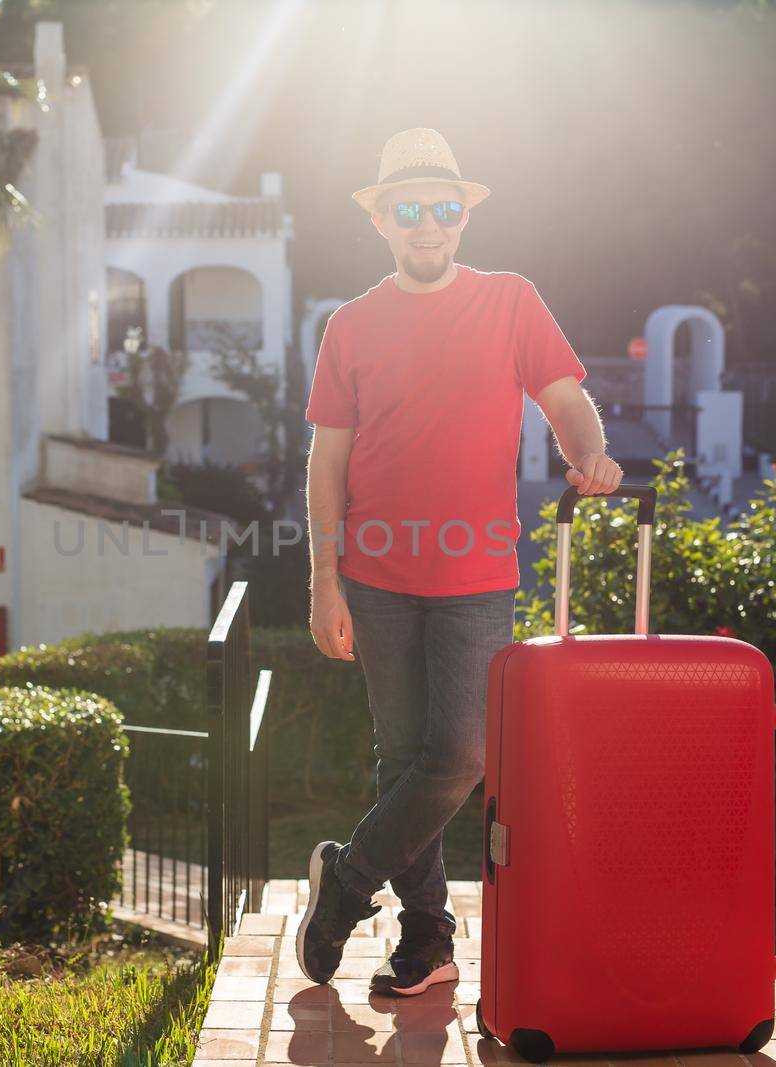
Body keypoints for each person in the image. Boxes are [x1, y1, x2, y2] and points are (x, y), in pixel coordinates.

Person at [297, 128, 625, 996]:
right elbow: (326, 463)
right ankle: (428, 942)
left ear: (463, 215)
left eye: (444, 207)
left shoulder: (512, 300)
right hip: (374, 578)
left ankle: (348, 877)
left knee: (463, 754)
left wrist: (590, 454)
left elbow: (566, 401)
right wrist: (326, 580)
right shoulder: (352, 325)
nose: (429, 224)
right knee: (401, 756)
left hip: (479, 576)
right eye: (410, 208)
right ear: (383, 221)